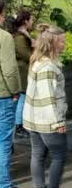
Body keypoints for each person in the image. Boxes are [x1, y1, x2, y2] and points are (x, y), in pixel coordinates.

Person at [22, 25, 72, 188]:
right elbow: (48, 98)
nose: (64, 44)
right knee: (59, 156)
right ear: (53, 43)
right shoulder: (48, 67)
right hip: (46, 121)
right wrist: (57, 122)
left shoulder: (37, 61)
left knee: (38, 155)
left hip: (33, 119)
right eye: (62, 41)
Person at [0, 0, 26, 188]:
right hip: (3, 94)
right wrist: (16, 90)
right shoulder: (4, 37)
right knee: (3, 141)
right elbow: (8, 69)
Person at [11, 10, 33, 140]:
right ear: (25, 21)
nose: (32, 22)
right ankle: (18, 126)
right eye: (31, 20)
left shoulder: (22, 36)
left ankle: (19, 125)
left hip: (23, 71)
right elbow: (28, 56)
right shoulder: (20, 38)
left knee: (22, 99)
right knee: (22, 99)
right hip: (22, 72)